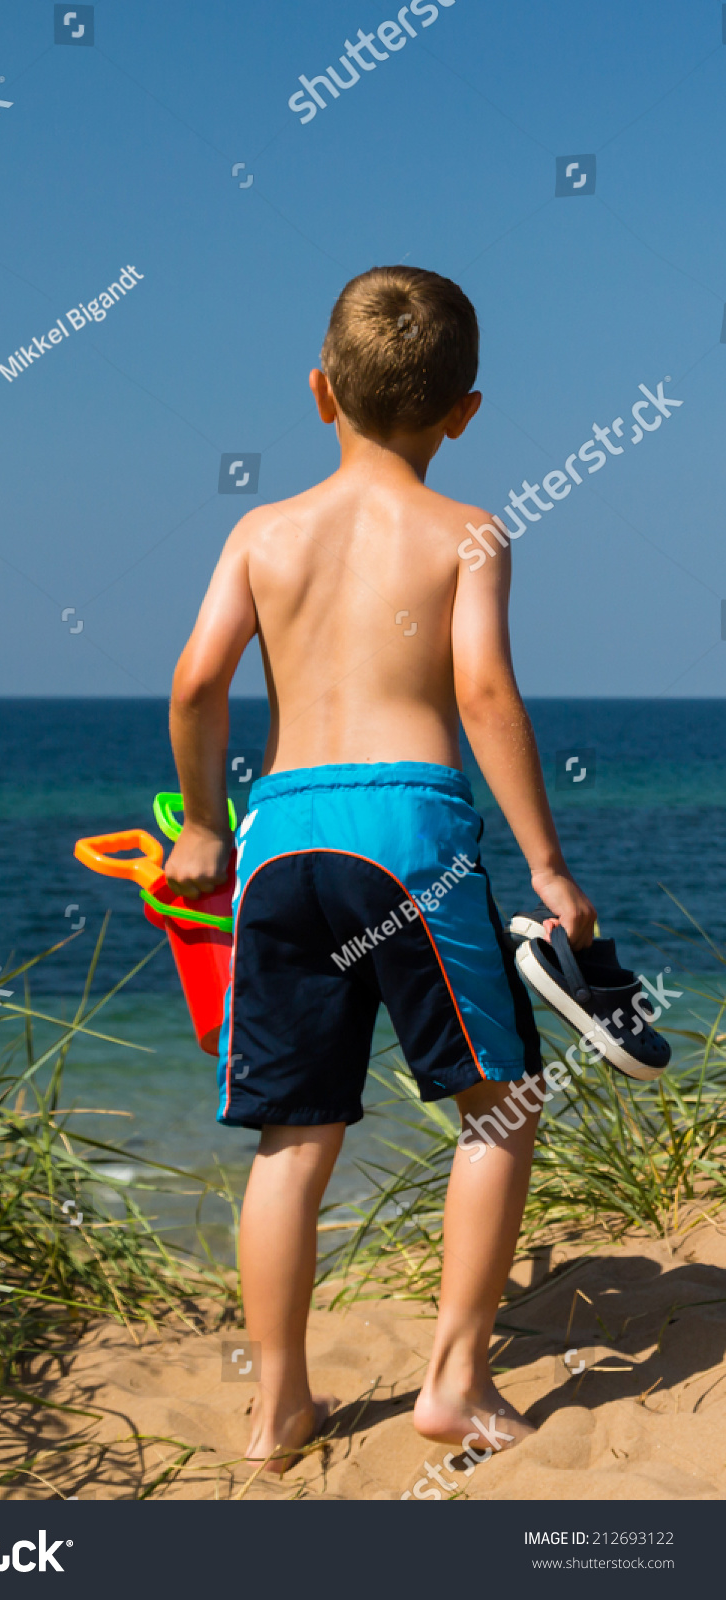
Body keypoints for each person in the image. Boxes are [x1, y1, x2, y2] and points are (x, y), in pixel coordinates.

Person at [163, 266, 595, 1473]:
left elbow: (196, 683)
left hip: (281, 839)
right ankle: (453, 1383)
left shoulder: (261, 532)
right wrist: (546, 867)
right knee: (497, 1104)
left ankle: (276, 1409)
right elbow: (479, 690)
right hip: (408, 837)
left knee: (291, 1137)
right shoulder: (465, 532)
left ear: (318, 394)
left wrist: (202, 823)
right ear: (461, 411)